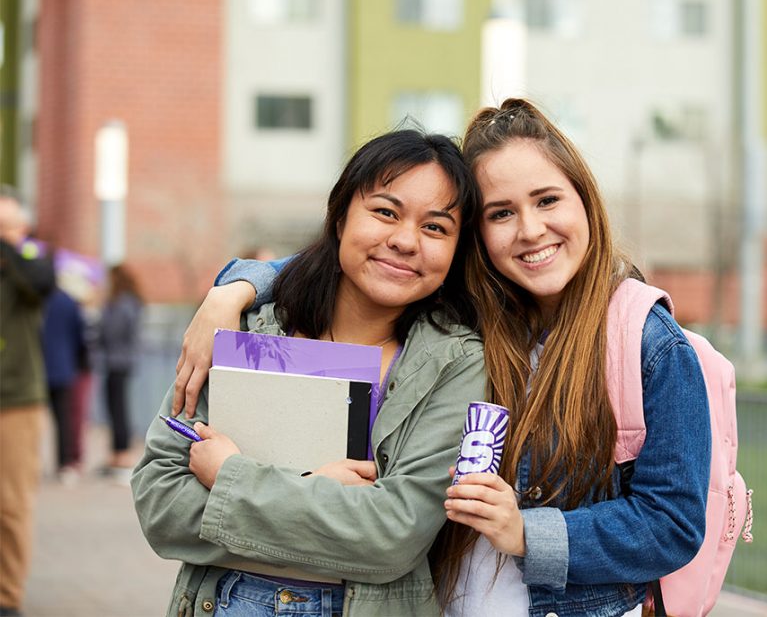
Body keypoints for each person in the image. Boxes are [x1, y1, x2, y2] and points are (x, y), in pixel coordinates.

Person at [174, 100, 713, 617]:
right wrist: (238, 287)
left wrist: (530, 533)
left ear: (585, 201)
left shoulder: (648, 343)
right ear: (475, 238)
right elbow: (363, 252)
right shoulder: (476, 314)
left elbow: (672, 524)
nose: (530, 230)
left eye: (547, 200)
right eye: (502, 213)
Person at [132, 129, 487, 617]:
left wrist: (230, 477)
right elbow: (161, 502)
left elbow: (393, 536)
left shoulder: (457, 363)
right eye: (385, 211)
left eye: (435, 228)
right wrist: (320, 491)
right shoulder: (249, 329)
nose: (405, 241)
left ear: (455, 252)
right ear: (341, 217)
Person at [0, 186, 56, 617]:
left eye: (8, 226)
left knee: (11, 503)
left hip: (16, 400)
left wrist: (8, 245)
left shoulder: (32, 261)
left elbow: (41, 283)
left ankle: (7, 598)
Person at [97, 263, 145, 478]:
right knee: (116, 407)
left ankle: (122, 453)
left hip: (117, 360)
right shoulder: (130, 302)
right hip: (121, 360)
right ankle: (118, 452)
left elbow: (111, 331)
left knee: (118, 408)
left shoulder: (121, 303)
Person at [42, 284, 89, 484]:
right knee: (65, 419)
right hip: (64, 367)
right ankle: (65, 463)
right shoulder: (68, 302)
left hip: (40, 367)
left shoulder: (38, 300)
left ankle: (33, 461)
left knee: (37, 418)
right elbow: (80, 334)